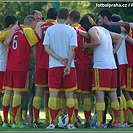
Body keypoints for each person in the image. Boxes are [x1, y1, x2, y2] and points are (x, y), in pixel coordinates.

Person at [82, 15, 123, 128]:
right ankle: (116, 122)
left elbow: (97, 42)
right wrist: (113, 52)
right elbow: (120, 38)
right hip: (112, 66)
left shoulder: (92, 30)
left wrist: (86, 45)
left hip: (101, 66)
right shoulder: (104, 30)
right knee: (112, 93)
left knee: (99, 93)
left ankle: (100, 123)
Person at [2, 15, 40, 128]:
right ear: (32, 24)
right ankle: (15, 121)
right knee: (17, 93)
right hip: (21, 66)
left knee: (8, 92)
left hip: (9, 66)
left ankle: (5, 121)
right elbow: (37, 38)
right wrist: (39, 25)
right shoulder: (28, 31)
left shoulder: (12, 31)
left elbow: (5, 41)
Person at [43, 8, 77, 129]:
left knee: (53, 95)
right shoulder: (71, 30)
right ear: (68, 18)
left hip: (54, 66)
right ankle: (70, 124)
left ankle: (52, 123)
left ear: (57, 17)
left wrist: (58, 59)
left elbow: (46, 48)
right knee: (69, 95)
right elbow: (73, 49)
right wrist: (67, 65)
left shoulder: (50, 29)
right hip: (69, 66)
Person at [32, 7, 58, 128]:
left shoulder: (40, 26)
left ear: (46, 16)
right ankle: (50, 119)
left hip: (41, 63)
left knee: (38, 92)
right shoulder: (58, 27)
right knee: (52, 92)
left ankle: (35, 120)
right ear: (57, 17)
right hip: (54, 63)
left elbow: (35, 44)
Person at [69, 10, 93, 128]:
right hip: (87, 64)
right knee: (86, 95)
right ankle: (87, 121)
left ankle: (73, 121)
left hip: (76, 64)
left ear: (70, 18)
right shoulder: (86, 31)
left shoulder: (70, 30)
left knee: (74, 95)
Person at [21, 10, 44, 126]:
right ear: (32, 20)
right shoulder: (28, 32)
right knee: (27, 94)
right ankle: (23, 118)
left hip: (38, 68)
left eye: (41, 19)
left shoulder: (39, 31)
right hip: (29, 69)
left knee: (36, 94)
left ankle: (33, 119)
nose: (40, 21)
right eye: (38, 19)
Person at [0, 15, 19, 124]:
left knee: (8, 94)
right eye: (16, 24)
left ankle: (9, 119)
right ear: (11, 25)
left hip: (6, 67)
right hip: (3, 68)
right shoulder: (4, 34)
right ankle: (9, 119)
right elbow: (6, 42)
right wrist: (13, 30)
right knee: (8, 93)